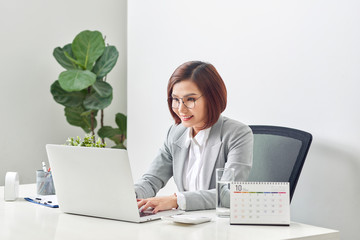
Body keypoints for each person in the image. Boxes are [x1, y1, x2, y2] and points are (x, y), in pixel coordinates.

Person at [135, 61, 253, 213]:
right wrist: (130, 195)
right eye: (175, 99)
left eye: (190, 99)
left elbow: (228, 194)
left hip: (219, 227)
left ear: (212, 98)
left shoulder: (238, 134)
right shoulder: (175, 133)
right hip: (186, 224)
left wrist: (176, 200)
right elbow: (151, 181)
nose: (181, 109)